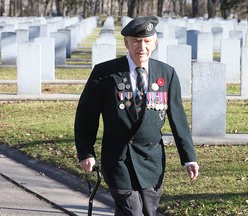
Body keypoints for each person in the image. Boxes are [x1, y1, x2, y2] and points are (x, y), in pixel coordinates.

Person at [74, 15, 199, 216]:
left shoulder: (166, 74)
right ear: (126, 43)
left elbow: (178, 118)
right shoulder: (105, 73)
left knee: (148, 211)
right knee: (132, 211)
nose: (142, 47)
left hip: (151, 162)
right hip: (118, 160)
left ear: (155, 43)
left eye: (147, 41)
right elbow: (86, 116)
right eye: (136, 41)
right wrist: (86, 152)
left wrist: (189, 158)